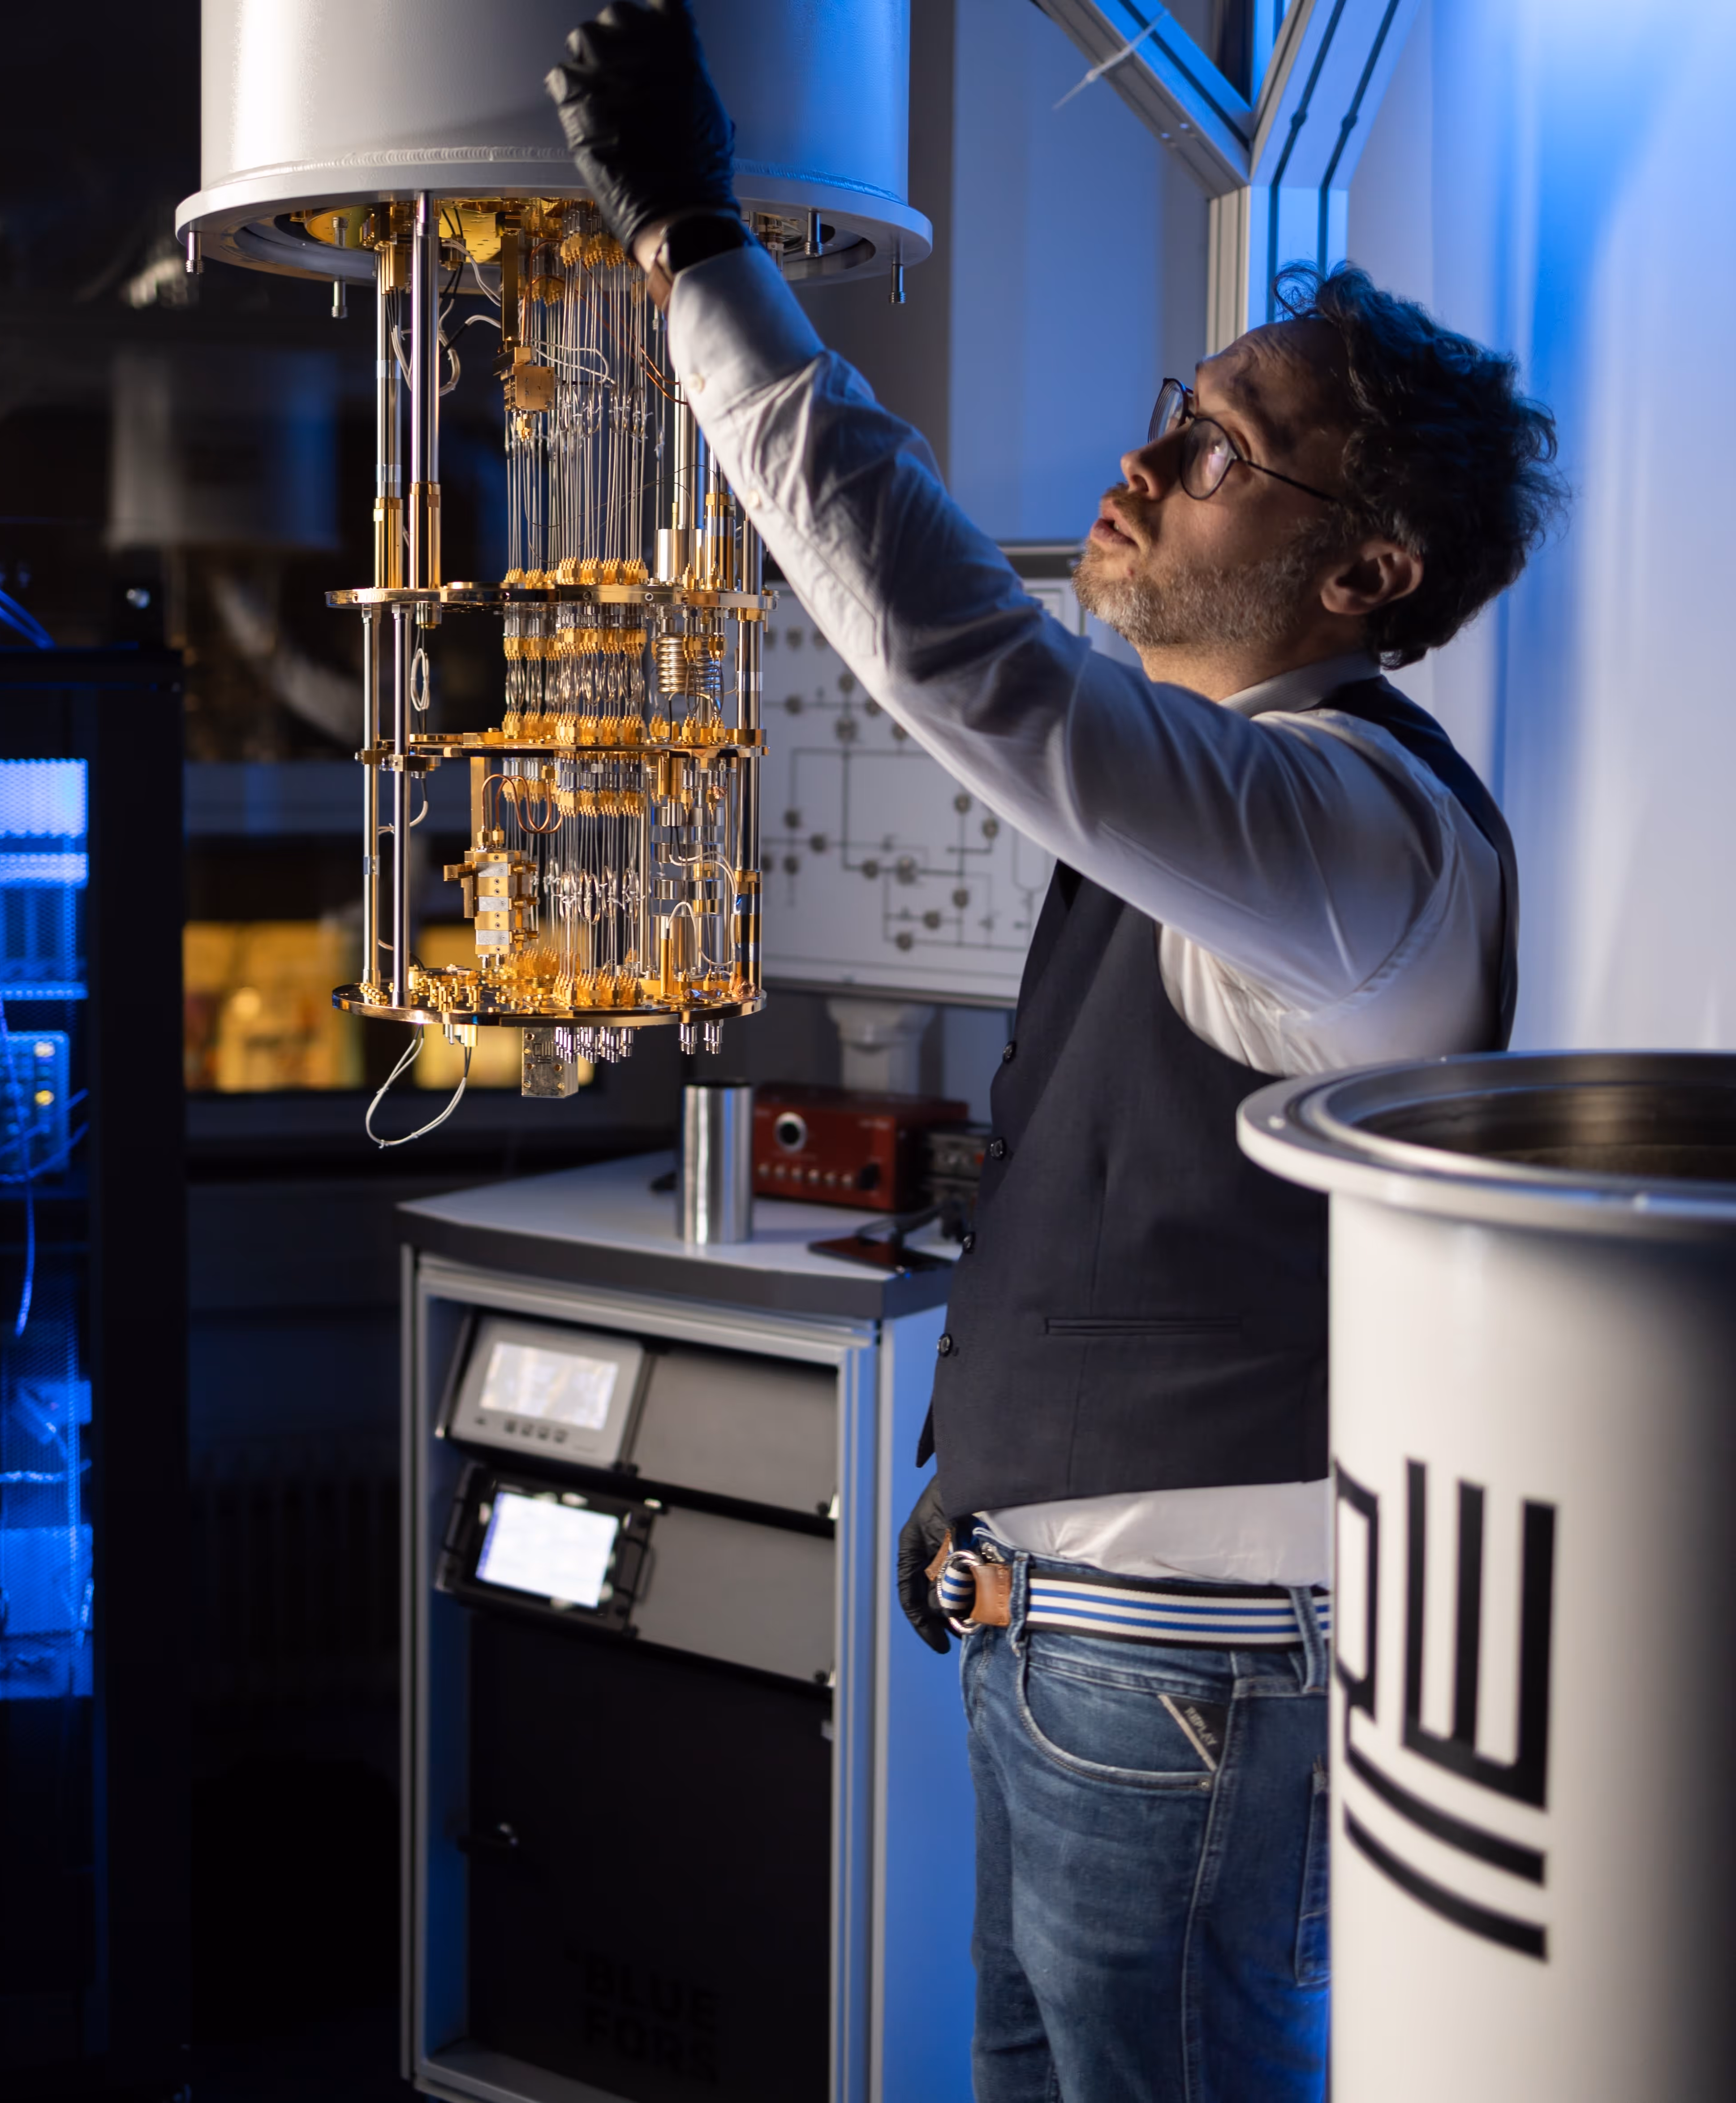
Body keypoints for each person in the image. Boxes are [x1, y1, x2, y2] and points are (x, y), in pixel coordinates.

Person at [547, 6, 1565, 2098]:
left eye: (1209, 449)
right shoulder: (1233, 815)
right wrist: (974, 1506)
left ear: (1362, 571)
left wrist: (693, 247)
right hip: (1071, 1638)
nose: (1134, 467)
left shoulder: (1339, 830)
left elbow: (957, 659)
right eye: (1166, 411)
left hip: (1183, 1672)